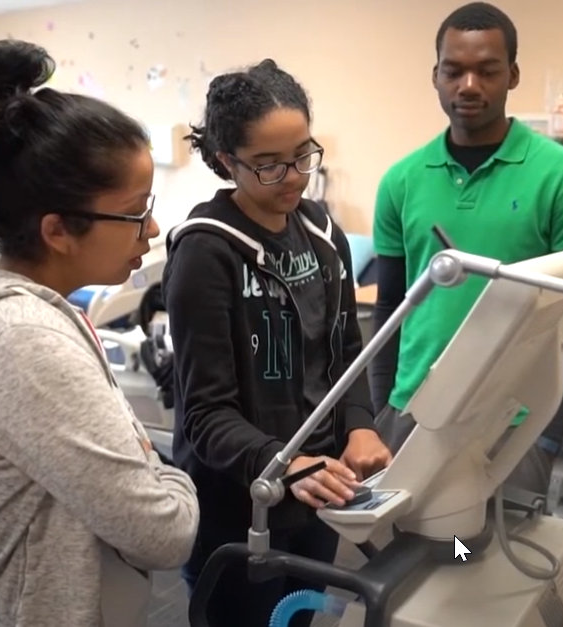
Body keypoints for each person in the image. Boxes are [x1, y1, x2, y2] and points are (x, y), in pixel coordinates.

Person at [0, 40, 199, 627]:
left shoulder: (41, 314)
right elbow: (163, 532)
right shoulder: (21, 341)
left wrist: (145, 465)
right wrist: (170, 475)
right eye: (135, 212)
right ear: (57, 230)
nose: (152, 229)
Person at [162, 59, 391, 626]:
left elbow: (346, 352)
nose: (293, 178)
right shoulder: (206, 253)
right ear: (225, 162)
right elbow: (206, 415)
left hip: (316, 497)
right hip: (239, 507)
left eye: (302, 157)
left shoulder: (320, 232)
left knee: (300, 616)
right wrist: (284, 464)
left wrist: (359, 422)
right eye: (268, 166)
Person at [371, 2, 563, 494]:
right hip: (415, 412)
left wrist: (548, 434)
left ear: (513, 75)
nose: (469, 86)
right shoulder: (401, 181)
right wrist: (383, 411)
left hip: (513, 421)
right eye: (454, 71)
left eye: (487, 70)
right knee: (418, 553)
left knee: (483, 558)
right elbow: (391, 307)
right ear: (435, 75)